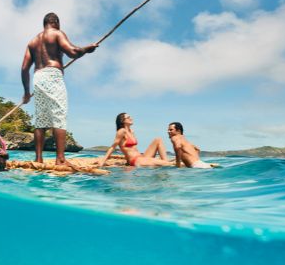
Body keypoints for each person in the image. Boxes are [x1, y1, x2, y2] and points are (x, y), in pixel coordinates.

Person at [21, 12, 97, 165]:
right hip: (53, 75)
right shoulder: (56, 33)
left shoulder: (32, 42)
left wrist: (27, 93)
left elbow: (24, 69)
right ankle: (60, 159)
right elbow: (73, 52)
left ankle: (38, 159)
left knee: (41, 120)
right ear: (55, 22)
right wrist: (87, 49)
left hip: (38, 77)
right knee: (59, 115)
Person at [98, 113, 173, 167]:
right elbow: (113, 147)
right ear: (122, 121)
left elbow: (132, 148)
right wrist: (103, 161)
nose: (131, 118)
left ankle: (165, 160)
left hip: (141, 157)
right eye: (128, 117)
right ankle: (165, 162)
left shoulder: (131, 131)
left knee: (158, 139)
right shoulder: (121, 131)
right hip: (135, 160)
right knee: (167, 164)